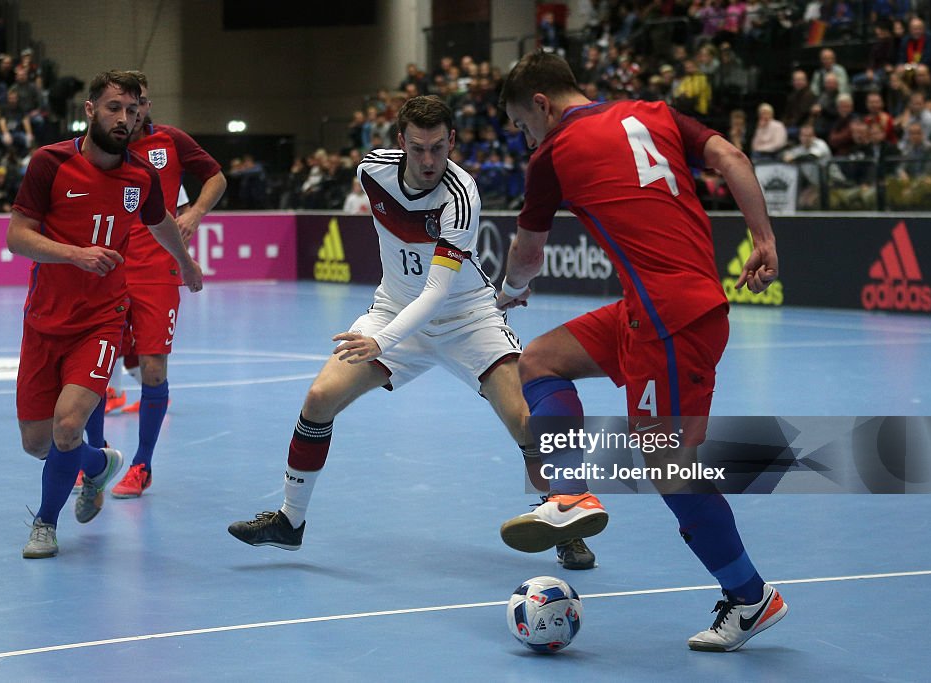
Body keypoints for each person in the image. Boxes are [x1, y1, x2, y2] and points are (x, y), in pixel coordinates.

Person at [227, 95, 598, 571]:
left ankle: (563, 522)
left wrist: (382, 342)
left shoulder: (461, 196)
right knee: (319, 398)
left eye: (439, 148)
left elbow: (438, 292)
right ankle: (289, 522)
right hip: (394, 309)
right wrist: (384, 334)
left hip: (466, 319)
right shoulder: (370, 172)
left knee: (527, 424)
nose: (429, 161)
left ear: (453, 142)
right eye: (419, 148)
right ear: (401, 141)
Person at [495, 50, 784, 652]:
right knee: (541, 360)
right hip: (649, 310)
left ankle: (750, 598)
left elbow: (527, 253)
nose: (526, 139)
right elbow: (731, 156)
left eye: (523, 125)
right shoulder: (653, 112)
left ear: (542, 105)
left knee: (666, 464)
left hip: (670, 323)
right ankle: (568, 494)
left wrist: (510, 292)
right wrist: (762, 237)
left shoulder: (553, 153)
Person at [7, 70, 203, 559]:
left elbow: (159, 222)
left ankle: (45, 524)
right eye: (115, 107)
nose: (125, 118)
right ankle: (98, 465)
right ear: (90, 110)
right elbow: (16, 237)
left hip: (101, 318)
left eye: (133, 110)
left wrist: (185, 262)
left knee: (67, 426)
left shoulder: (141, 174)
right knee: (37, 441)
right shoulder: (49, 163)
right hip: (44, 319)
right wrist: (74, 254)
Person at [88, 71, 225, 499]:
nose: (133, 112)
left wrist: (196, 213)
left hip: (157, 271)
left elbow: (217, 177)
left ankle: (143, 464)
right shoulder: (104, 145)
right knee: (96, 367)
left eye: (140, 103)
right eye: (124, 105)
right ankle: (94, 459)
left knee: (152, 368)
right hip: (108, 268)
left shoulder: (171, 142)